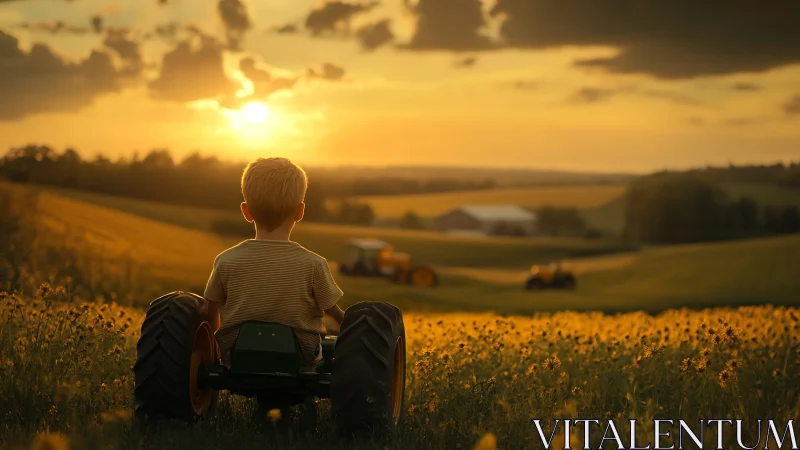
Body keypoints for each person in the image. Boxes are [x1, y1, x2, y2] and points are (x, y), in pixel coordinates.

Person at [203, 157, 345, 372]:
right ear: (300, 211)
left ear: (246, 211)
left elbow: (211, 308)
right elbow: (332, 311)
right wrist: (355, 328)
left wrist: (214, 352)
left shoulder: (226, 260)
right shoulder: (314, 264)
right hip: (300, 359)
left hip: (235, 355)